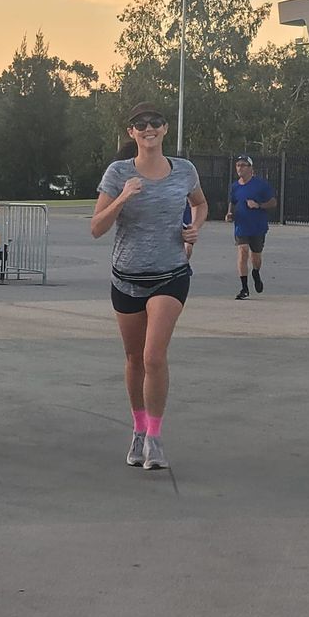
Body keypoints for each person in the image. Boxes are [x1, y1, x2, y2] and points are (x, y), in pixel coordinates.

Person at [92, 102, 207, 471]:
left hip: (171, 273)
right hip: (126, 277)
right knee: (133, 359)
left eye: (155, 123)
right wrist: (123, 197)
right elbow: (96, 227)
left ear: (165, 129)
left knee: (153, 356)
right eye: (140, 125)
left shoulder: (184, 171)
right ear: (131, 133)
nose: (148, 129)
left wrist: (194, 229)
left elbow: (201, 204)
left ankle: (155, 438)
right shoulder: (118, 173)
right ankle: (139, 429)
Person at [225, 155, 277, 299]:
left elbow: (273, 202)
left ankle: (255, 272)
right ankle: (244, 288)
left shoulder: (260, 185)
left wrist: (259, 205)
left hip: (257, 227)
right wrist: (229, 213)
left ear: (250, 168)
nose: (239, 168)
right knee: (243, 252)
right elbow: (233, 202)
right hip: (241, 226)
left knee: (256, 257)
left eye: (243, 165)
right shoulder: (234, 186)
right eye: (237, 165)